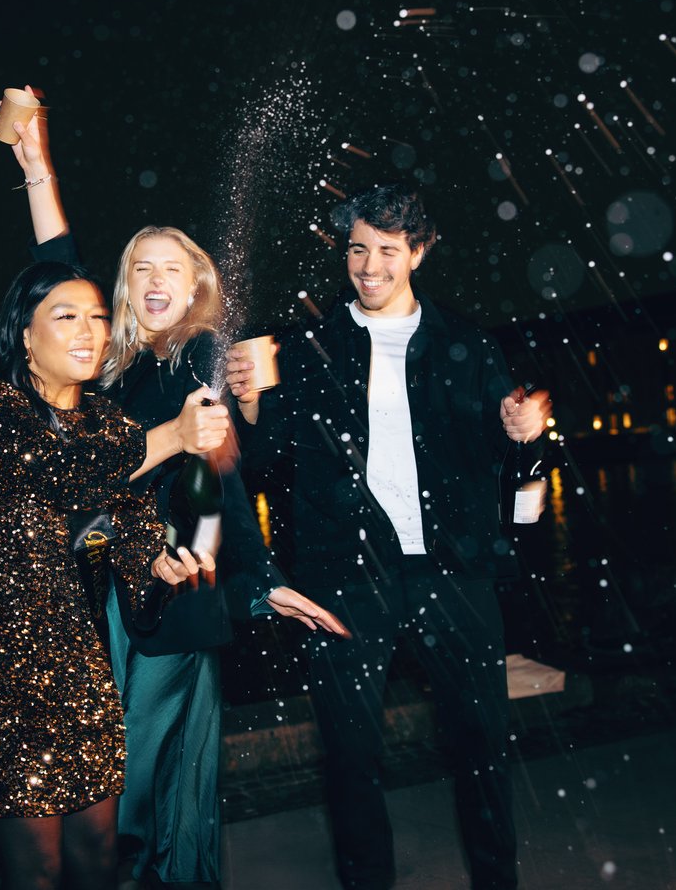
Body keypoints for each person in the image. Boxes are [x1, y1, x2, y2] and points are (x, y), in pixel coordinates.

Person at [3, 100, 346, 888]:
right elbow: (55, 259)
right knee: (149, 790)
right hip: (101, 589)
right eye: (141, 267)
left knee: (135, 799)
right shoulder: (106, 362)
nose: (156, 279)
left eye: (173, 267)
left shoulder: (197, 356)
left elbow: (220, 472)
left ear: (197, 284)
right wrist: (34, 167)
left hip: (157, 597)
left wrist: (259, 582)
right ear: (126, 286)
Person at [225, 185, 551, 890]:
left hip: (453, 572)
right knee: (350, 758)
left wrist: (528, 439)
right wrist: (249, 402)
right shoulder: (305, 347)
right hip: (343, 575)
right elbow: (259, 464)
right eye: (357, 250)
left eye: (387, 251)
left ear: (419, 252)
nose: (369, 267)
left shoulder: (466, 343)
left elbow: (515, 478)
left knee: (483, 750)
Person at [0, 260, 230, 890]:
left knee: (99, 856)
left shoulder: (109, 422)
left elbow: (132, 543)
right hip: (4, 670)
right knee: (35, 870)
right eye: (65, 315)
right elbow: (65, 474)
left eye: (99, 317)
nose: (90, 331)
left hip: (83, 665)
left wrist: (161, 568)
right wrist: (174, 435)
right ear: (25, 333)